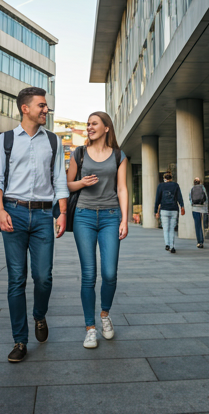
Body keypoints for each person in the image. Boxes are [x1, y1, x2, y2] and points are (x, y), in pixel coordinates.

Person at [0, 87, 68, 363]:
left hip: (45, 215)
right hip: (13, 213)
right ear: (26, 108)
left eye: (46, 106)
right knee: (17, 279)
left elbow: (60, 181)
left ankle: (39, 315)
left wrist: (62, 212)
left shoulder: (54, 141)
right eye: (42, 106)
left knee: (44, 277)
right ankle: (20, 341)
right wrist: (0, 210)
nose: (47, 110)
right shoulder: (6, 140)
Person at [67, 111, 128, 349]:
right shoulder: (79, 153)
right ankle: (90, 328)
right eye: (87, 124)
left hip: (111, 216)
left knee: (110, 273)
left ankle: (105, 314)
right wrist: (82, 183)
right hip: (83, 216)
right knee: (89, 274)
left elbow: (122, 188)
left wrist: (124, 219)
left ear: (106, 128)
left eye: (94, 124)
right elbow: (66, 184)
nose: (89, 127)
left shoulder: (118, 155)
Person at [154, 172, 185, 253]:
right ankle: (172, 246)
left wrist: (155, 211)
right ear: (171, 178)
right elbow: (179, 197)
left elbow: (157, 199)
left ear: (164, 178)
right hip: (174, 209)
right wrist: (182, 206)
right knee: (172, 229)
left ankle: (167, 244)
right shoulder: (175, 185)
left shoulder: (160, 186)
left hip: (164, 209)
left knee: (166, 228)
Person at [190, 177, 208, 248]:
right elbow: (206, 198)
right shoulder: (203, 188)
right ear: (200, 182)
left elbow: (190, 199)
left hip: (195, 209)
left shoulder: (192, 189)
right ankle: (202, 240)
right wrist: (206, 209)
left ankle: (199, 242)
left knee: (197, 226)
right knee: (203, 225)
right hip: (203, 210)